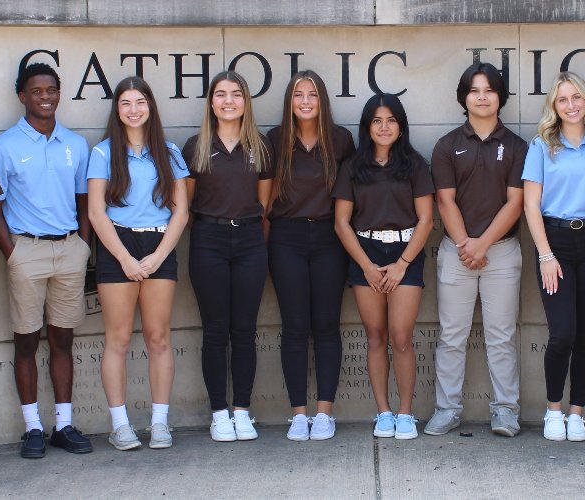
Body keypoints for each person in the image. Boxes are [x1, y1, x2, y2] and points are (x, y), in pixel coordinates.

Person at [0, 62, 93, 458]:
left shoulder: (75, 144)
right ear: (22, 96)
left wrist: (82, 244)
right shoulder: (4, 146)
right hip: (25, 250)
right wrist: (11, 253)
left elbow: (84, 200)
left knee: (63, 338)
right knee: (27, 340)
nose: (45, 97)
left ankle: (63, 424)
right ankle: (32, 427)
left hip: (69, 249)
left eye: (51, 90)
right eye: (36, 91)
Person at [86, 77, 190, 451]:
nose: (133, 109)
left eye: (140, 102)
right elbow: (96, 213)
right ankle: (121, 425)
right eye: (126, 103)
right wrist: (126, 259)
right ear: (117, 109)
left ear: (150, 106)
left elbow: (181, 212)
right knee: (117, 339)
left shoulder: (170, 151)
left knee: (159, 338)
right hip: (118, 245)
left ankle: (160, 423)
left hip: (159, 243)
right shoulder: (102, 153)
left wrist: (158, 255)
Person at [425, 62, 528, 438]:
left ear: (500, 97)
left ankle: (505, 412)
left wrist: (482, 244)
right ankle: (446, 409)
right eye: (474, 90)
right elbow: (445, 201)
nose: (482, 96)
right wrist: (466, 245)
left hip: (501, 252)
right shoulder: (447, 145)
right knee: (452, 336)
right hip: (456, 252)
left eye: (489, 90)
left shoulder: (517, 146)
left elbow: (516, 202)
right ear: (464, 97)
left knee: (501, 336)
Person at [332, 93, 435, 441]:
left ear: (401, 126)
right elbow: (342, 223)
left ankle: (406, 413)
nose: (384, 126)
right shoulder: (353, 167)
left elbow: (426, 220)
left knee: (401, 337)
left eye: (391, 120)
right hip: (366, 254)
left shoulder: (415, 166)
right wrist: (368, 266)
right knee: (375, 337)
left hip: (406, 253)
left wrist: (402, 264)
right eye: (377, 120)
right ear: (367, 127)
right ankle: (384, 412)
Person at [520, 72, 585, 443]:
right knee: (563, 334)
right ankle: (553, 410)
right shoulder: (541, 145)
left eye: (577, 98)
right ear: (553, 108)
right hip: (554, 241)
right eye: (562, 100)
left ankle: (577, 413)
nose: (571, 105)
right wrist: (545, 255)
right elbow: (530, 204)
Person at [266, 70, 356, 441]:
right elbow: (266, 199)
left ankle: (324, 413)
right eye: (298, 94)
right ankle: (298, 414)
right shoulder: (274, 140)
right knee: (294, 326)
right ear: (289, 100)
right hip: (285, 237)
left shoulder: (341, 140)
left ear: (322, 101)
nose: (305, 101)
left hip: (328, 236)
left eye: (312, 94)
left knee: (326, 324)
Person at [184, 71, 272, 442]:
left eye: (236, 94)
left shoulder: (261, 146)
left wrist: (249, 236)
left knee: (245, 331)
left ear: (246, 102)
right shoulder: (196, 145)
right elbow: (185, 206)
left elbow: (265, 205)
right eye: (220, 94)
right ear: (211, 102)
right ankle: (219, 412)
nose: (229, 101)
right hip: (208, 239)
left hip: (251, 240)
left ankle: (242, 411)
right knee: (216, 330)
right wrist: (213, 232)